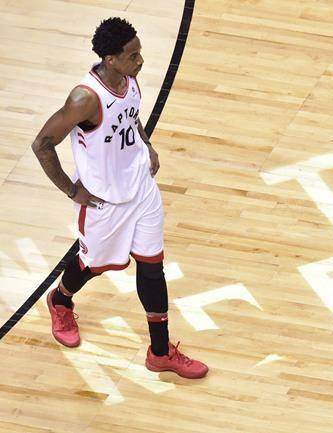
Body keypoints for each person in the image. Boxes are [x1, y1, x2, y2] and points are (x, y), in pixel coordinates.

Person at [31, 17, 208, 379]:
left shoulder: (129, 78)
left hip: (141, 189)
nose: (140, 61)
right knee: (91, 265)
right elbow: (42, 143)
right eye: (132, 55)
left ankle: (160, 353)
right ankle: (60, 301)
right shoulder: (84, 98)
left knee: (152, 266)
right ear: (110, 59)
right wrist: (71, 188)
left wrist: (146, 144)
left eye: (139, 52)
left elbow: (132, 116)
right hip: (104, 201)